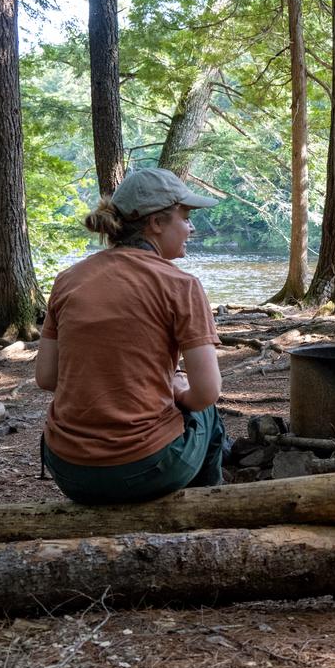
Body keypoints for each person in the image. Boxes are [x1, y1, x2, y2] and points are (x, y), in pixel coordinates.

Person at [35, 167, 227, 505]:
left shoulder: (68, 280)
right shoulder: (180, 285)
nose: (191, 227)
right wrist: (178, 391)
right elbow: (208, 392)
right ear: (156, 223)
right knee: (207, 415)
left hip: (68, 470)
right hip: (143, 469)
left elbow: (47, 378)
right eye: (185, 216)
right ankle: (207, 512)